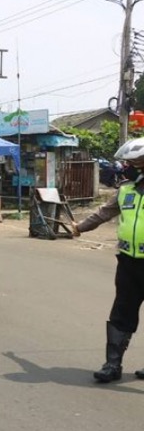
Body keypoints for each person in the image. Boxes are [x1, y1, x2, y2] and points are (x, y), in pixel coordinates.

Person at [72, 137, 144, 383]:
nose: (129, 167)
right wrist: (80, 227)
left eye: (135, 163)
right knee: (122, 312)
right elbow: (104, 213)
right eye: (128, 163)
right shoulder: (125, 189)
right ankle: (112, 365)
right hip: (128, 264)